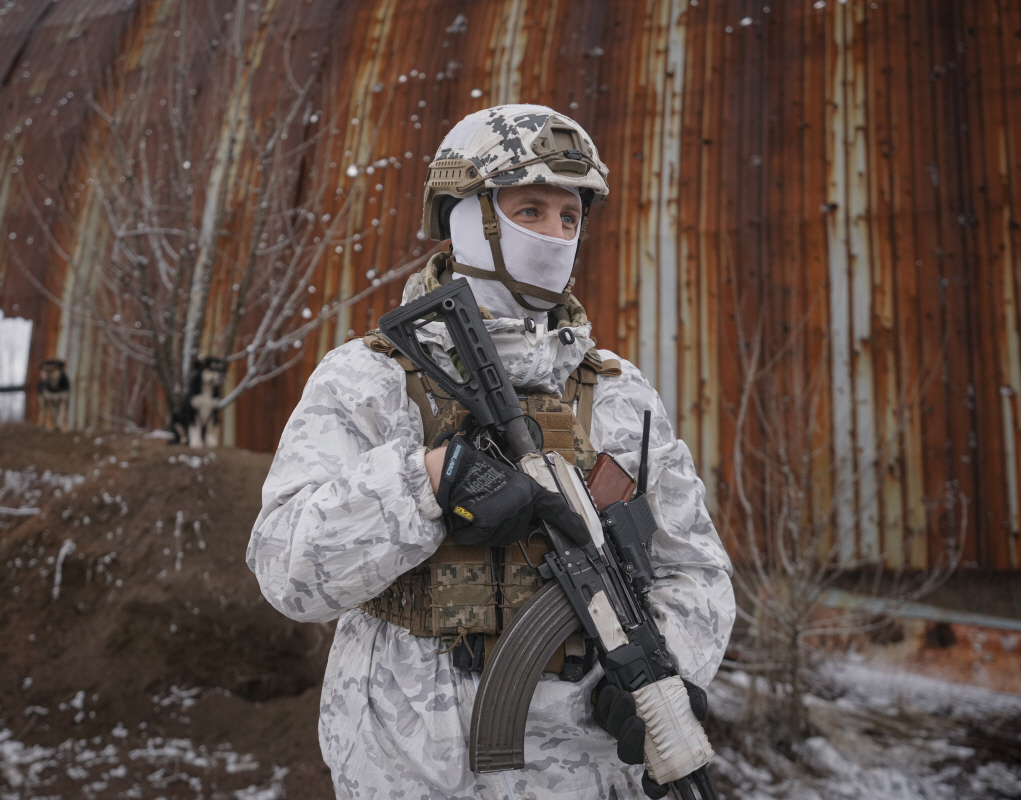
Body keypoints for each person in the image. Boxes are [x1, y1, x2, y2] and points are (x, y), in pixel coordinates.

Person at [247, 104, 735, 800]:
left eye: (570, 217)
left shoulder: (622, 393)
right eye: (530, 209)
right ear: (463, 216)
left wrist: (666, 674)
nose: (555, 235)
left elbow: (697, 569)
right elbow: (286, 571)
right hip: (415, 772)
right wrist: (428, 480)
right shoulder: (372, 378)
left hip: (589, 775)